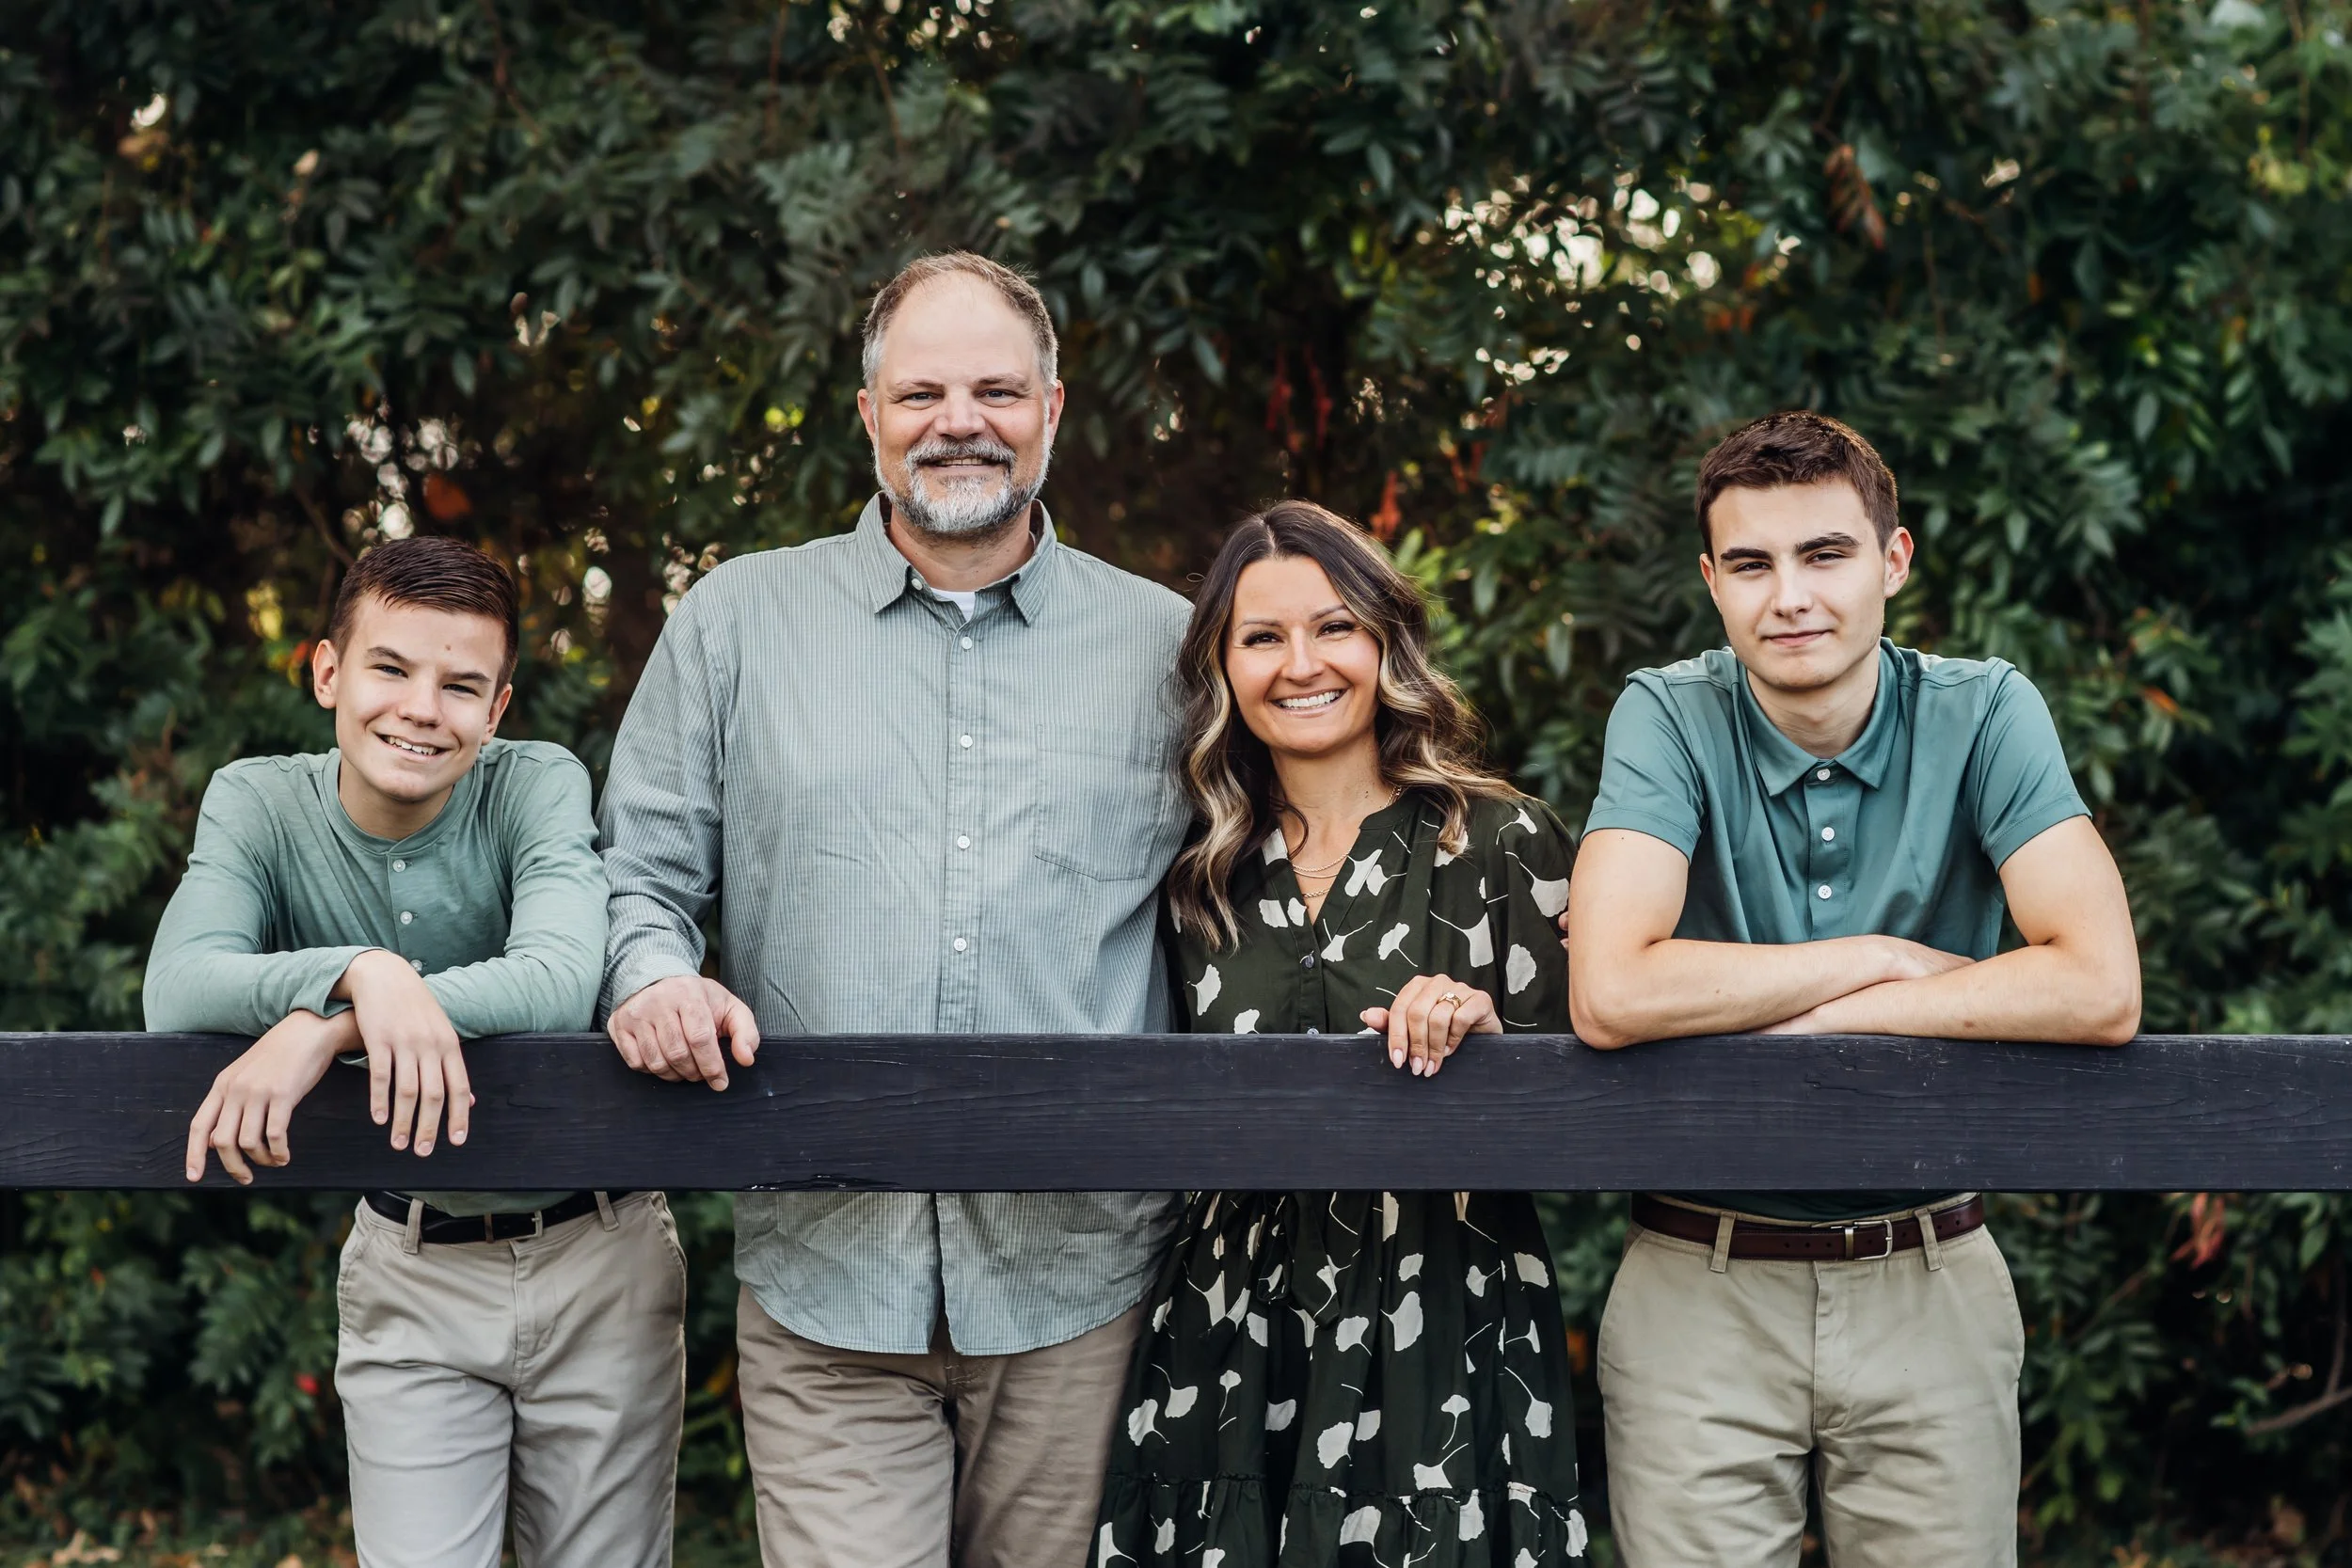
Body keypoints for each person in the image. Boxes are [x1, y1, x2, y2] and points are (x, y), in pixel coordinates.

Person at [598, 251, 1195, 1568]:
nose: (958, 418)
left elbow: (1261, 891)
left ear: (1052, 404)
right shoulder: (736, 622)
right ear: (868, 411)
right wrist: (651, 974)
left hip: (1083, 1283)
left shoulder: (1171, 647)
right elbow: (640, 872)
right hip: (825, 1271)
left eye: (995, 387)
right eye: (920, 389)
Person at [1565, 410, 2142, 1567]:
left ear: (1892, 560)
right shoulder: (1668, 713)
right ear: (1711, 583)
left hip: (1929, 1269)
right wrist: (1881, 958)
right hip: (1699, 1282)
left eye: (1824, 553)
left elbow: (2098, 984)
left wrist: (1792, 1008)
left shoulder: (1983, 710)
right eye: (1750, 563)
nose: (1789, 596)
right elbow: (1613, 990)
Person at [145, 537, 682, 1568]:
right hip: (410, 1260)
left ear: (499, 708)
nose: (421, 707)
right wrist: (361, 968)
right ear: (327, 671)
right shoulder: (256, 800)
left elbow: (561, 977)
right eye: (390, 668)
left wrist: (333, 1018)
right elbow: (176, 986)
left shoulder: (536, 783)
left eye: (461, 685)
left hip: (599, 1253)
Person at [1095, 500, 1589, 1567]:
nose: (1299, 663)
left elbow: (1599, 1082)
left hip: (1447, 1314)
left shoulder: (1502, 839)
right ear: (1222, 666)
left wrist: (1492, 1032)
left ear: (1383, 642)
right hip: (1230, 1325)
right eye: (1260, 637)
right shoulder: (1189, 871)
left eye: (1333, 627)